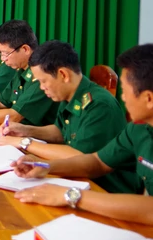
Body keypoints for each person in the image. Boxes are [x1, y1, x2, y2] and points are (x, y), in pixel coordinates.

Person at [12, 44, 153, 225]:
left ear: (148, 98)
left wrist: (71, 195)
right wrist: (46, 166)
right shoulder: (138, 129)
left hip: (119, 207)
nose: (123, 98)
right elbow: (97, 161)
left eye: (125, 91)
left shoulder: (102, 104)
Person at [0, 40, 140, 194]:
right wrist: (25, 130)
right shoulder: (70, 94)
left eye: (43, 81)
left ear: (63, 75)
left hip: (104, 188)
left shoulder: (99, 105)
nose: (41, 87)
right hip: (75, 177)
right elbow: (60, 131)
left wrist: (25, 143)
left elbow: (81, 156)